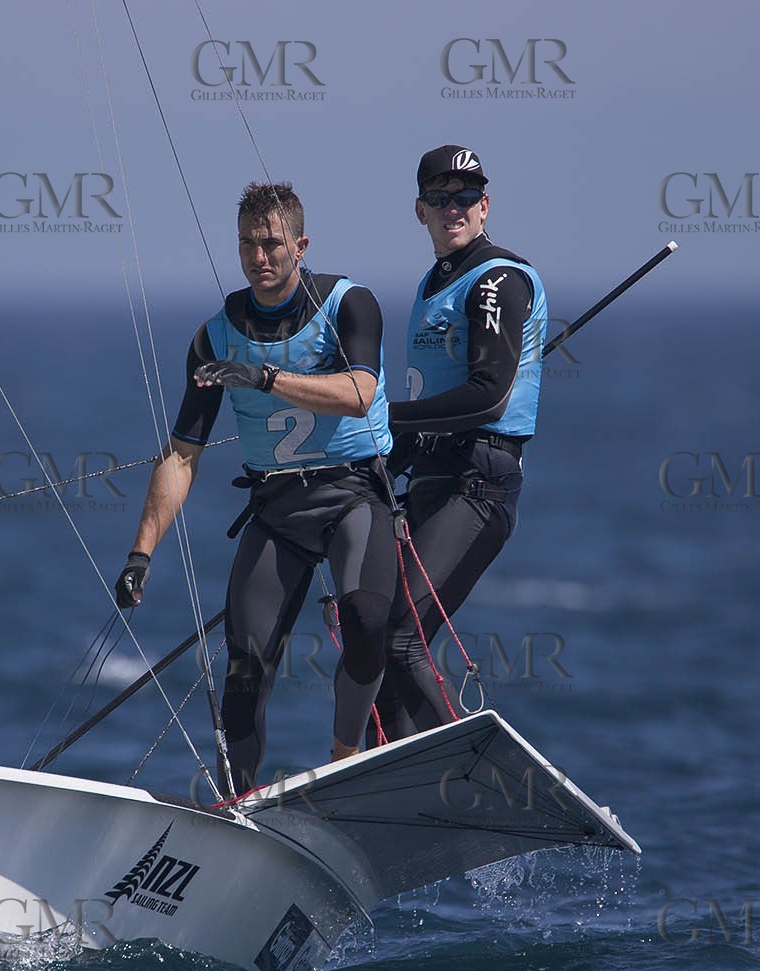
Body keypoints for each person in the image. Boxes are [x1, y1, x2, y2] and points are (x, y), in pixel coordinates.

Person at [113, 181, 396, 795]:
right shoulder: (215, 336)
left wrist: (265, 377)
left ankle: (345, 757)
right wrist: (140, 553)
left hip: (353, 495)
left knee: (367, 618)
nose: (259, 257)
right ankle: (236, 804)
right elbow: (182, 455)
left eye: (271, 243)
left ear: (301, 245)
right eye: (247, 244)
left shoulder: (349, 303)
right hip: (278, 509)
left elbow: (360, 394)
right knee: (244, 667)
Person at [373, 145, 548, 744]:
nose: (455, 208)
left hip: (478, 486)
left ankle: (464, 771)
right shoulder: (433, 285)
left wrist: (384, 415)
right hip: (431, 479)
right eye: (440, 198)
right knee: (377, 638)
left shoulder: (498, 279)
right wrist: (368, 470)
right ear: (419, 209)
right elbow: (423, 417)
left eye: (467, 196)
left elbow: (488, 397)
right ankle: (387, 781)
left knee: (401, 636)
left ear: (485, 205)